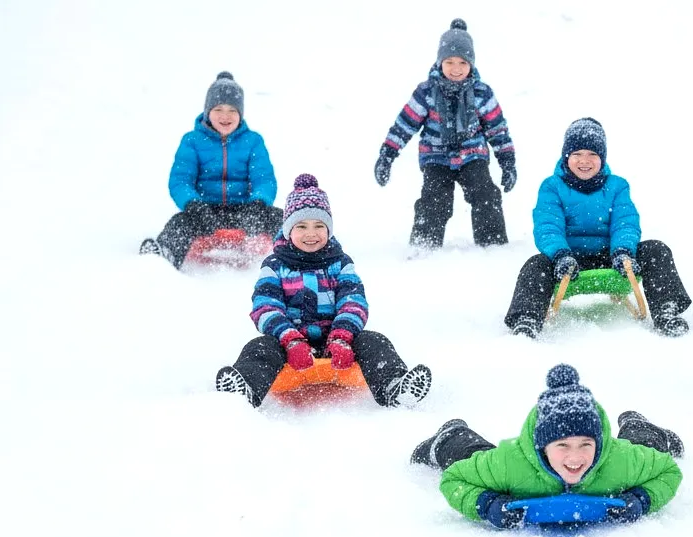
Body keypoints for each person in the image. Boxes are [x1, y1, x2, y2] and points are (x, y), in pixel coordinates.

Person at [215, 175, 432, 408]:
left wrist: (342, 337)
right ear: (288, 230)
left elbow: (353, 302)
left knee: (375, 342)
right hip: (288, 345)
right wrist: (289, 339)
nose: (311, 233)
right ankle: (242, 392)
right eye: (302, 226)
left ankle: (395, 387)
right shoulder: (275, 265)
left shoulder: (340, 263)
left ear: (329, 229)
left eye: (319, 226)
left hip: (338, 344)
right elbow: (265, 307)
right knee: (258, 348)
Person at [410, 364, 684, 528]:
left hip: (621, 453)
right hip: (514, 465)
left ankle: (639, 425)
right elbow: (454, 480)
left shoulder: (620, 461)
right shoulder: (510, 463)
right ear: (542, 446)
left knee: (642, 446)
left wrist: (642, 499)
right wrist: (486, 504)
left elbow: (668, 472)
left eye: (586, 444)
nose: (575, 457)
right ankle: (452, 435)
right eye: (562, 445)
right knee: (477, 457)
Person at [502, 117, 692, 338]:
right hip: (567, 260)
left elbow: (625, 222)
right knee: (535, 266)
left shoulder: (617, 186)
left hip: (612, 256)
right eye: (577, 154)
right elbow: (548, 226)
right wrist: (560, 255)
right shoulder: (552, 187)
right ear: (566, 157)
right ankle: (527, 319)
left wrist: (622, 252)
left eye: (593, 154)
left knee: (656, 250)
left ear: (602, 158)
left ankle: (666, 311)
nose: (585, 161)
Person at [373, 19, 515, 249]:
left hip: (472, 156)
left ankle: (493, 245)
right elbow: (404, 124)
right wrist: (387, 156)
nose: (456, 68)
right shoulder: (426, 92)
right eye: (449, 61)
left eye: (462, 62)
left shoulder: (481, 93)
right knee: (434, 200)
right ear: (440, 62)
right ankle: (424, 245)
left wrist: (508, 163)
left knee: (486, 193)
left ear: (471, 64)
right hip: (436, 157)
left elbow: (498, 130)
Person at [140, 72, 281, 267]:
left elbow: (264, 179)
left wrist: (258, 203)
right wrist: (193, 205)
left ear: (240, 114)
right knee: (180, 223)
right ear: (207, 112)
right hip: (205, 211)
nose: (225, 116)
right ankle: (164, 254)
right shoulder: (192, 141)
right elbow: (180, 181)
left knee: (278, 218)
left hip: (245, 210)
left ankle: (300, 254)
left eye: (232, 110)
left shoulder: (253, 141)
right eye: (218, 109)